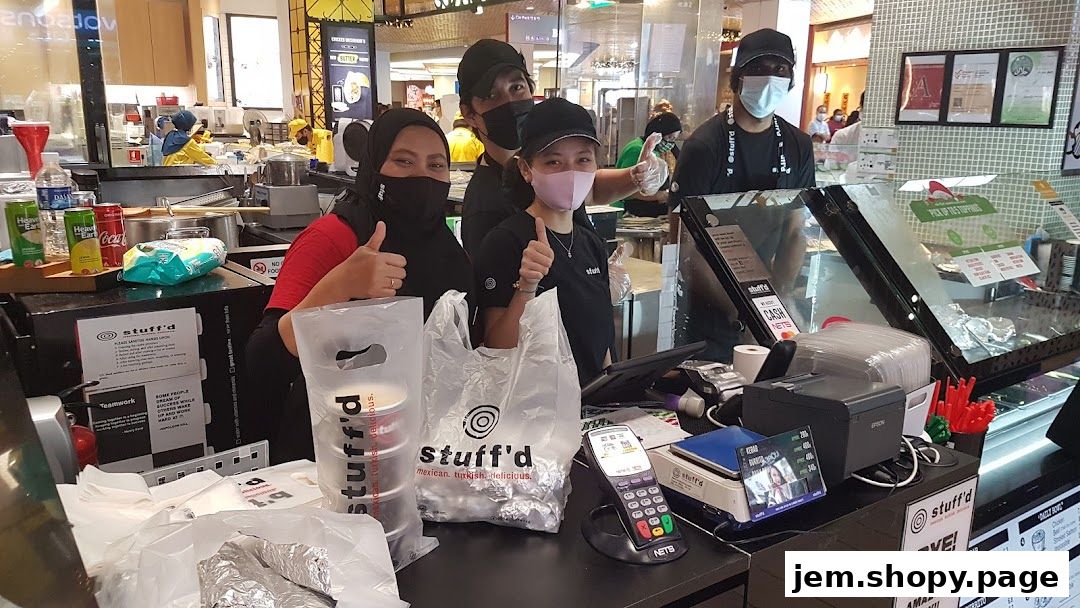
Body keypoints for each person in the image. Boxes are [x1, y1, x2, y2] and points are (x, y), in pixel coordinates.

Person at [245, 109, 542, 462]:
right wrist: (340, 285)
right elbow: (261, 363)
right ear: (374, 166)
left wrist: (525, 288)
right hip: (338, 464)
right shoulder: (334, 238)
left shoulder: (452, 255)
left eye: (436, 165)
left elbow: (469, 354)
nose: (422, 177)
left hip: (429, 461)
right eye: (403, 161)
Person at [669, 28, 815, 360]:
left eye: (780, 70)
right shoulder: (704, 146)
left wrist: (777, 300)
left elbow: (795, 229)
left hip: (766, 305)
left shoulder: (798, 146)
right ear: (738, 78)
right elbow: (684, 245)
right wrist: (741, 310)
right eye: (758, 68)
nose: (770, 78)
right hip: (707, 312)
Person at [457, 38, 668, 257]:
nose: (509, 102)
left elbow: (589, 189)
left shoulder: (536, 156)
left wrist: (638, 175)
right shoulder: (486, 209)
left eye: (517, 87)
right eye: (492, 95)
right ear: (469, 113)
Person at [474, 98, 613, 385]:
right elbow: (496, 348)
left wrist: (612, 396)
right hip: (535, 416)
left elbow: (602, 344)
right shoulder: (504, 242)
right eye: (553, 161)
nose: (571, 171)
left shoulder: (590, 242)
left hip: (592, 410)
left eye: (583, 159)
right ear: (526, 169)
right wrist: (526, 287)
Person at [615, 112, 681, 217]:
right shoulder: (637, 150)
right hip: (626, 212)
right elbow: (626, 191)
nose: (671, 143)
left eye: (674, 139)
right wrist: (658, 196)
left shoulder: (655, 151)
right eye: (669, 137)